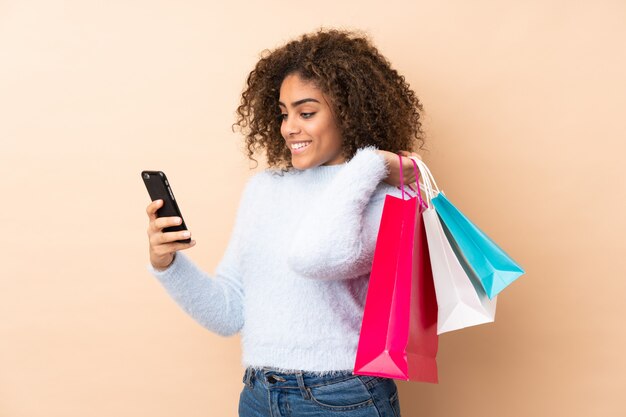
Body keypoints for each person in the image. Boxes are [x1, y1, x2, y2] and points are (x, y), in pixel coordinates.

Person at [145, 29, 425, 417]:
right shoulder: (264, 190)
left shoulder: (385, 197)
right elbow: (228, 313)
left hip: (342, 398)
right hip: (259, 395)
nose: (289, 127)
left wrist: (371, 164)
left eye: (306, 113)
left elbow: (317, 256)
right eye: (283, 113)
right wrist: (167, 264)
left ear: (348, 112)